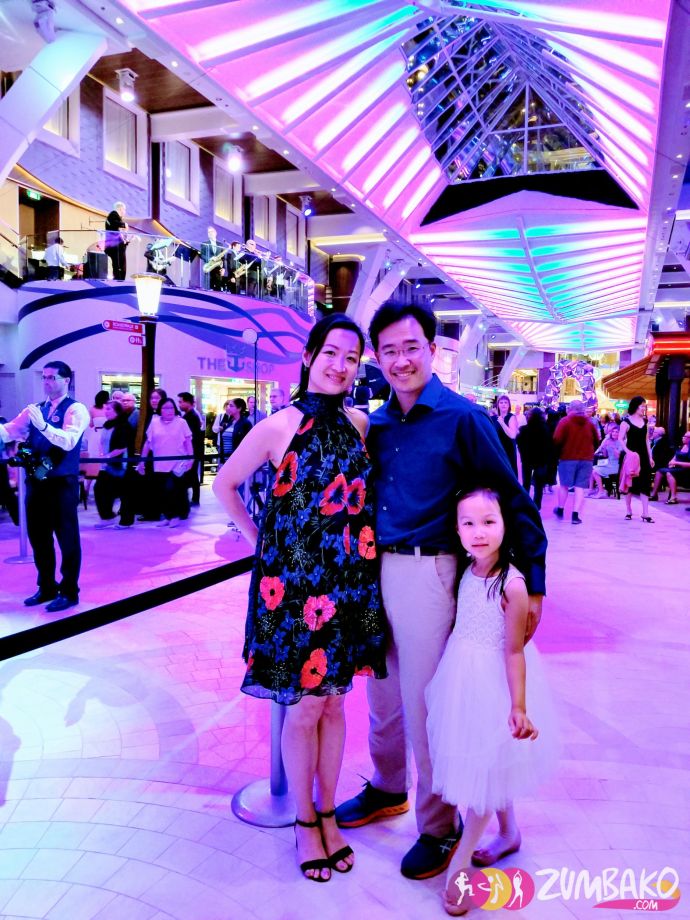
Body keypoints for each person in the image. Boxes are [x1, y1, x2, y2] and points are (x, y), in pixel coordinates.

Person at [335, 302, 547, 881]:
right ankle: (387, 786)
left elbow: (512, 499)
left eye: (411, 347)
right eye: (389, 351)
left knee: (428, 701)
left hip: (429, 571)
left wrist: (533, 584)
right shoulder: (376, 424)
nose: (400, 360)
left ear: (432, 349)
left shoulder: (463, 419)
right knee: (382, 692)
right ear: (377, 358)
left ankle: (437, 823)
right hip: (373, 569)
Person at [212, 314, 387, 883]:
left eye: (351, 358)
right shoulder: (278, 425)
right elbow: (224, 484)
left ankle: (328, 812)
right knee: (306, 706)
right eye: (331, 353)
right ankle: (306, 820)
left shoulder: (360, 424)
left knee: (336, 704)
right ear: (309, 356)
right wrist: (259, 542)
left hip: (351, 585)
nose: (340, 366)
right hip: (295, 592)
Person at [425, 487, 557, 915]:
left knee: (484, 774)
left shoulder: (512, 586)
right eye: (468, 523)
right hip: (460, 678)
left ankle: (460, 865)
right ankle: (510, 833)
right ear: (456, 529)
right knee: (491, 766)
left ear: (505, 524)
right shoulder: (468, 568)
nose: (478, 532)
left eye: (488, 522)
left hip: (494, 684)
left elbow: (514, 652)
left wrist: (518, 706)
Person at [0, 361, 89, 611]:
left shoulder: (76, 409)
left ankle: (69, 591)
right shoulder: (36, 409)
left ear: (66, 380)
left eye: (52, 377)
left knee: (67, 538)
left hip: (62, 483)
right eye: (45, 377)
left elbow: (69, 441)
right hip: (37, 480)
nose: (47, 382)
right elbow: (9, 431)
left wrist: (43, 426)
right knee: (38, 537)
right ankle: (47, 586)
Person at [137, 398, 193, 527]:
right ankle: (168, 516)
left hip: (177, 463)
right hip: (160, 464)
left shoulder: (181, 422)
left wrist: (191, 458)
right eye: (166, 408)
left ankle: (175, 516)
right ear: (160, 410)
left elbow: (188, 441)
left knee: (173, 489)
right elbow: (148, 443)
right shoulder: (154, 422)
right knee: (162, 491)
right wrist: (142, 461)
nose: (169, 411)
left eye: (171, 407)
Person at [552, 400, 599, 525]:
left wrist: (558, 454)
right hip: (586, 459)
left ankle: (561, 510)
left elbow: (557, 439)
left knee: (564, 485)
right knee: (580, 487)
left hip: (567, 458)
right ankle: (575, 515)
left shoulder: (565, 421)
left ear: (570, 409)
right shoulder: (589, 423)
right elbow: (597, 440)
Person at [93, 400, 135, 528]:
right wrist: (102, 455)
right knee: (99, 489)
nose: (105, 411)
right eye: (105, 409)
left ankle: (126, 521)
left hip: (120, 464)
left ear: (117, 411)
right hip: (106, 464)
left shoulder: (124, 425)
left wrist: (107, 457)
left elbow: (122, 447)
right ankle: (107, 517)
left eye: (109, 409)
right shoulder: (106, 425)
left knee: (124, 492)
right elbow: (102, 442)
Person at [619, 396, 654, 523]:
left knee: (645, 484)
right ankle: (629, 510)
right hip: (631, 457)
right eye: (642, 406)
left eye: (645, 406)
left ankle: (645, 513)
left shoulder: (645, 422)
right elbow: (620, 439)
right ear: (635, 406)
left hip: (643, 457)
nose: (644, 408)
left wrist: (650, 457)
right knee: (629, 483)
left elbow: (647, 441)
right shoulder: (625, 422)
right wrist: (628, 452)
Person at [516, 407, 552, 510]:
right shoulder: (545, 429)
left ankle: (525, 503)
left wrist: (523, 453)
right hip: (541, 460)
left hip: (527, 459)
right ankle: (537, 505)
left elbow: (519, 443)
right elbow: (549, 445)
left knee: (526, 482)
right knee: (539, 485)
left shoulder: (523, 429)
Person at [177, 392, 204, 505]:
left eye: (181, 402)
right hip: (193, 451)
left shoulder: (190, 417)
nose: (179, 404)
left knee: (191, 475)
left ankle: (193, 498)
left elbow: (190, 437)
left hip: (192, 451)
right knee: (192, 475)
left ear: (188, 402)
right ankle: (194, 498)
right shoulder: (190, 415)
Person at [590, 426, 623, 498]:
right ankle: (591, 490)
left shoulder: (620, 442)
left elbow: (618, 456)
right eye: (613, 431)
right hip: (608, 463)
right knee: (592, 469)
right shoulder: (609, 440)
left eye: (616, 432)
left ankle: (601, 491)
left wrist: (613, 447)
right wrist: (604, 448)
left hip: (615, 465)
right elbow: (605, 455)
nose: (614, 433)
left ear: (619, 433)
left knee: (595, 472)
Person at [491, 395, 519, 475]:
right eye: (501, 402)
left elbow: (513, 435)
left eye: (506, 403)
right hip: (497, 450)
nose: (503, 404)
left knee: (508, 474)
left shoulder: (511, 417)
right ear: (498, 405)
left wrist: (502, 423)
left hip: (508, 450)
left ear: (509, 405)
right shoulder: (494, 418)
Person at [663, 430, 690, 504]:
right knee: (660, 471)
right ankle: (654, 495)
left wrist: (676, 463)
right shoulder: (682, 446)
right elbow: (675, 456)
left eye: (685, 436)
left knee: (669, 472)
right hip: (678, 467)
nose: (682, 437)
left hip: (686, 470)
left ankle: (673, 497)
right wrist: (671, 461)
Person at [104, 202, 128, 281]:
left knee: (119, 265)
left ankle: (119, 280)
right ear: (120, 209)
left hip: (115, 245)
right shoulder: (113, 214)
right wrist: (124, 225)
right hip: (114, 245)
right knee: (117, 265)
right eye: (124, 210)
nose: (125, 212)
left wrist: (125, 241)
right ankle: (118, 281)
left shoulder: (115, 218)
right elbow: (114, 223)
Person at [200, 227, 226, 292]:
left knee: (218, 289)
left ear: (216, 233)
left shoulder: (220, 244)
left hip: (218, 269)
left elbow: (223, 258)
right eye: (209, 232)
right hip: (209, 268)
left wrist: (224, 268)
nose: (210, 233)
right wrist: (210, 259)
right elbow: (202, 255)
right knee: (208, 288)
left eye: (212, 231)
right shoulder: (204, 243)